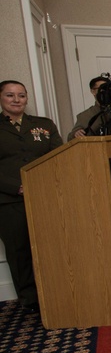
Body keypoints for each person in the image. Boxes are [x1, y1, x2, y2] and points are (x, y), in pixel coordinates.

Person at [0, 80, 62, 313]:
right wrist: (17, 187)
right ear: (1, 98)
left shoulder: (44, 125)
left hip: (44, 196)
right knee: (20, 251)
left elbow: (59, 155)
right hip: (9, 201)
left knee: (52, 245)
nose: (16, 100)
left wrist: (44, 184)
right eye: (10, 95)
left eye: (21, 95)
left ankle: (58, 290)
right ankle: (30, 300)